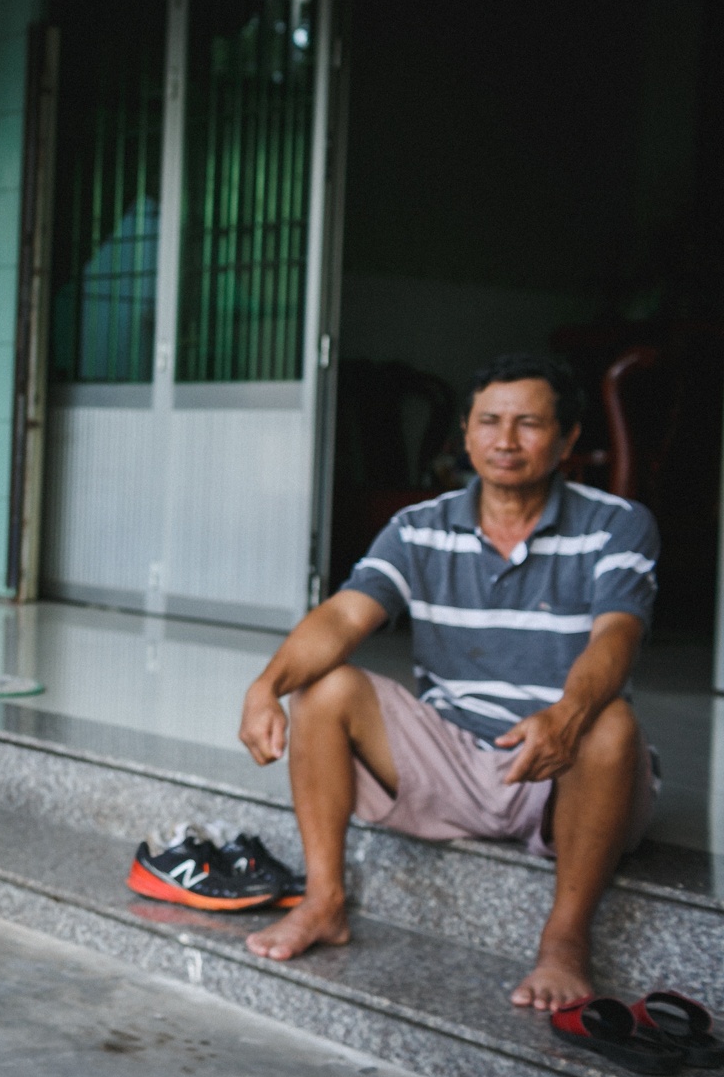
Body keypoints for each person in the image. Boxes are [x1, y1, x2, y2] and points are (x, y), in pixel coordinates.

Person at [236, 352, 659, 1011]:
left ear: (569, 438)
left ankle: (565, 943)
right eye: (489, 422)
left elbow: (616, 636)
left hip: (567, 764)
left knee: (609, 722)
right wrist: (266, 684)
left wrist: (567, 713)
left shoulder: (616, 523)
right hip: (455, 757)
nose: (506, 441)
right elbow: (346, 615)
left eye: (529, 424)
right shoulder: (417, 527)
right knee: (322, 686)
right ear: (465, 433)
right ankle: (324, 902)